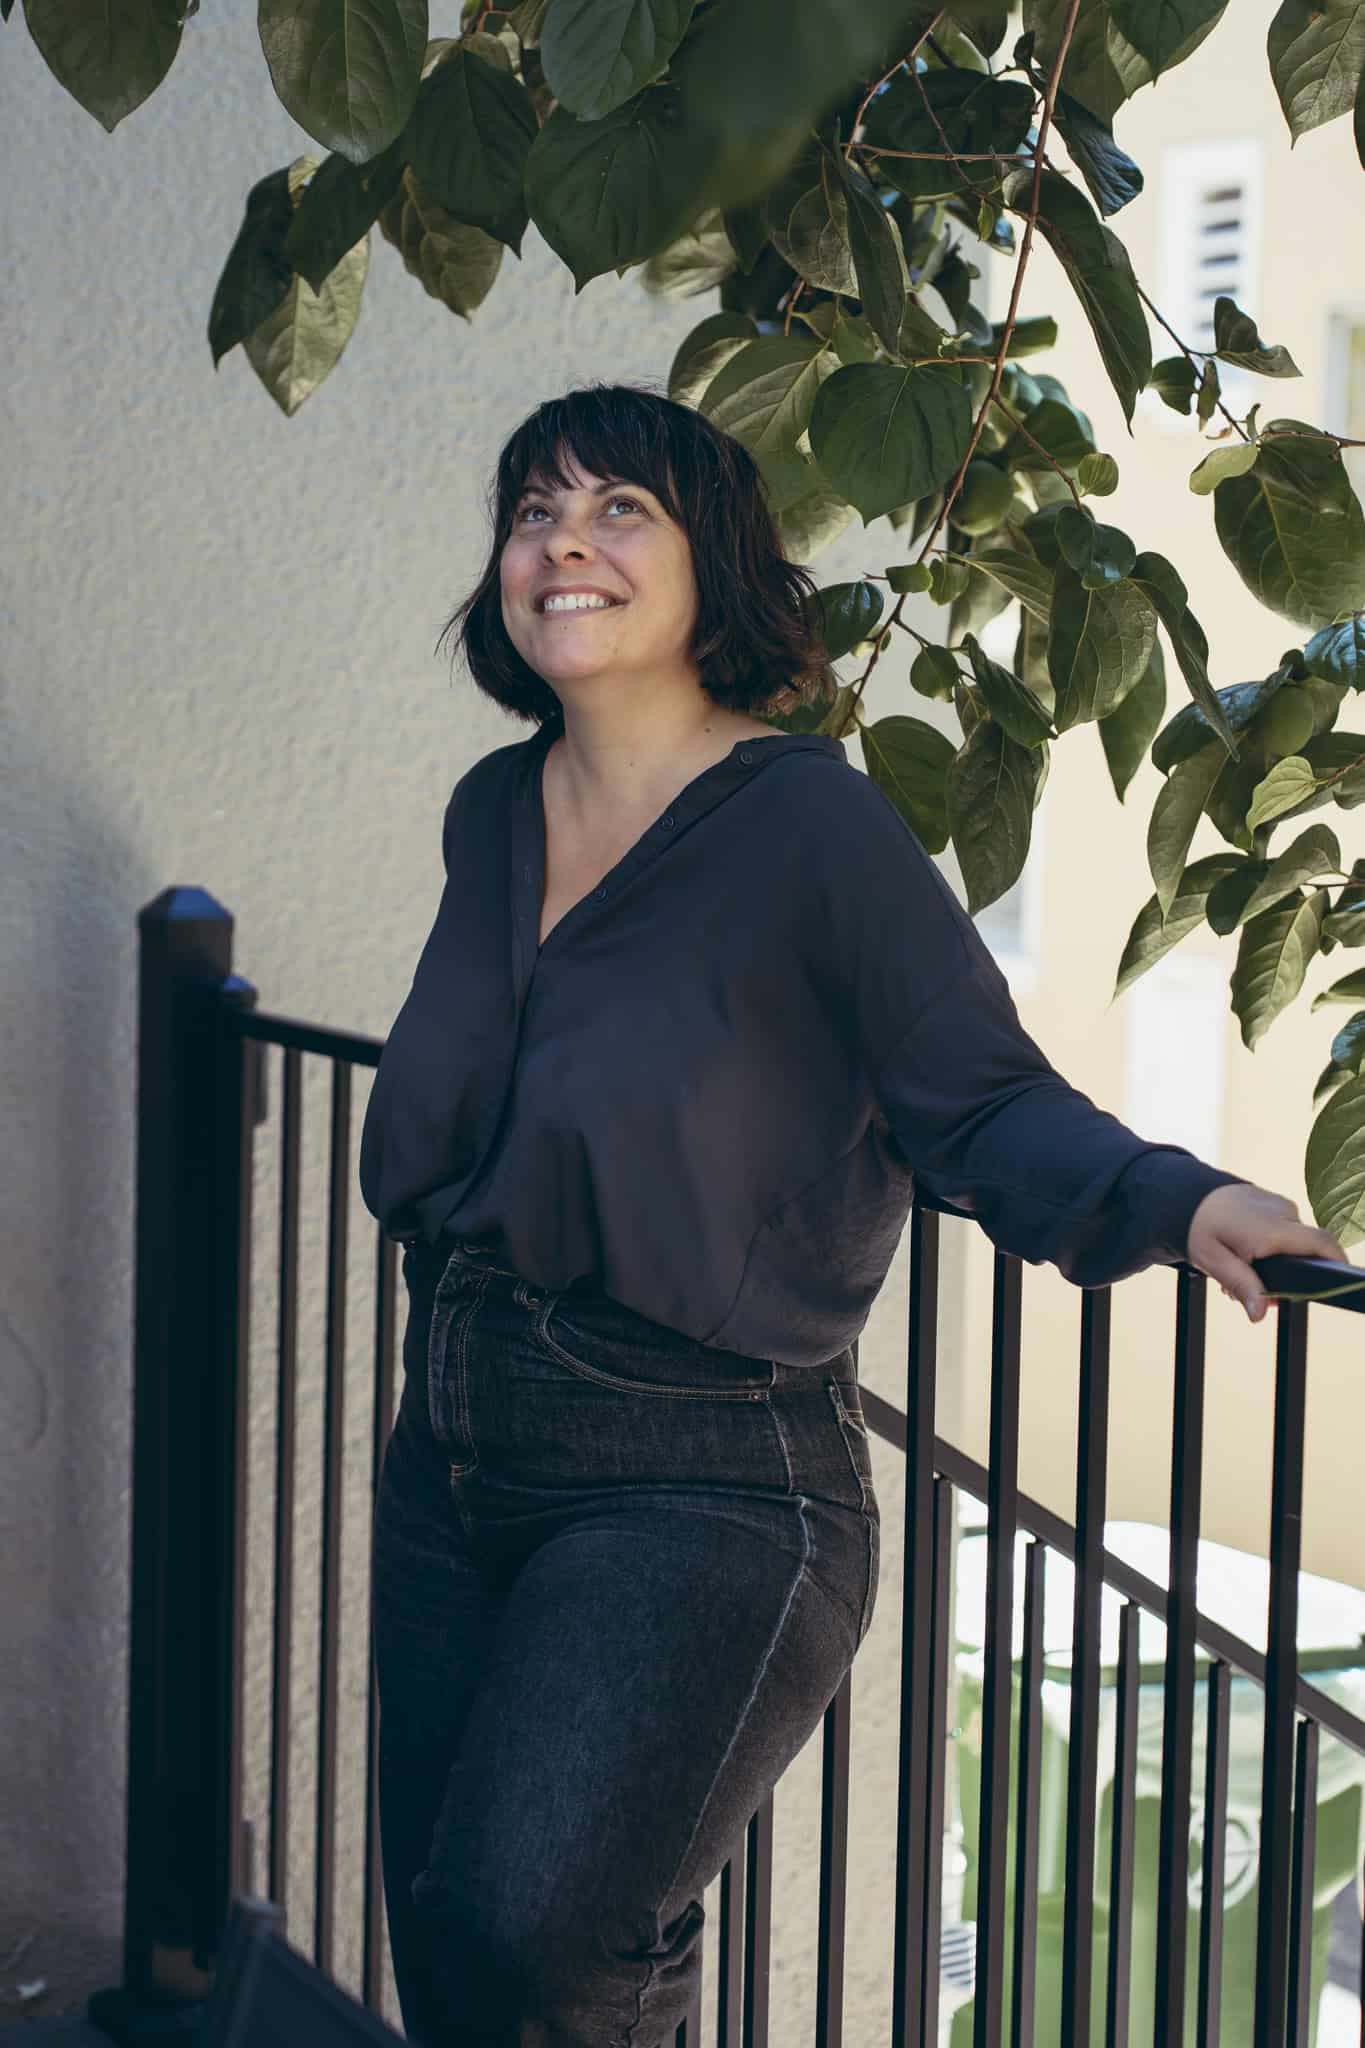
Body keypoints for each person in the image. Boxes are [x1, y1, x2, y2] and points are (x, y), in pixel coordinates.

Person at [358, 382, 1352, 2048]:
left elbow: (972, 1088)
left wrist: (1178, 1200)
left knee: (542, 1932)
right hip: (451, 1437)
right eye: (534, 512)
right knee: (455, 1952)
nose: (563, 545)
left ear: (712, 571)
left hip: (696, 1469)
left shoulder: (806, 822)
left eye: (619, 511)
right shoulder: (492, 811)